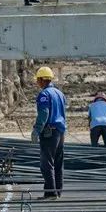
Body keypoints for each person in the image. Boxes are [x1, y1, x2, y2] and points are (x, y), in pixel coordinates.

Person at [32, 67, 67, 198]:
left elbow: (44, 113)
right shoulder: (59, 93)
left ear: (41, 80)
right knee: (58, 163)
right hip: (60, 131)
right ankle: (56, 192)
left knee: (47, 164)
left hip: (49, 133)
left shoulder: (44, 94)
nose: (37, 83)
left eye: (37, 80)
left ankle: (51, 193)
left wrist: (37, 129)